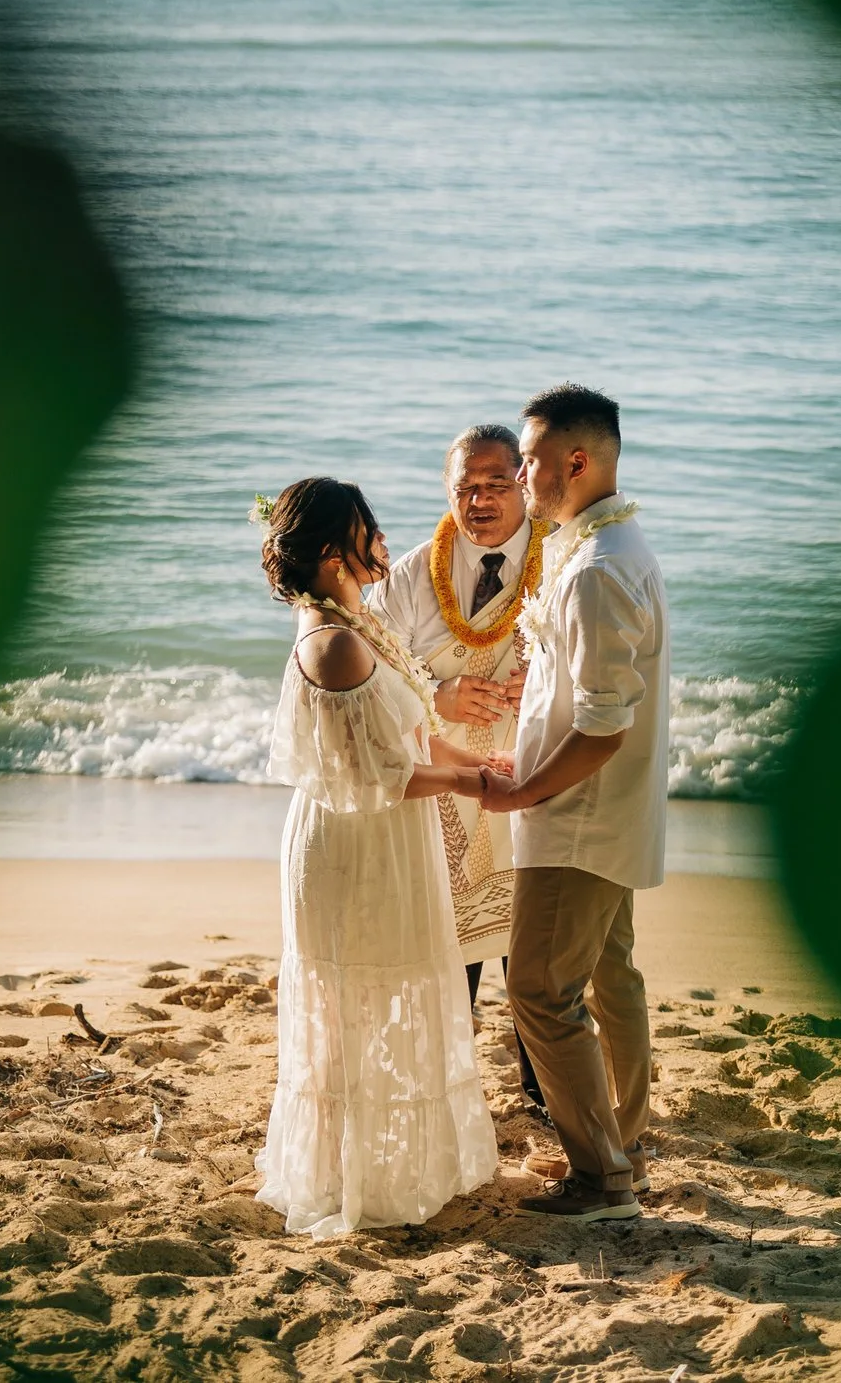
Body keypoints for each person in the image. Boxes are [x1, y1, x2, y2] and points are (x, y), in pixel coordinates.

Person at [250, 476, 501, 1236]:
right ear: (332, 553)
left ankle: (398, 1164)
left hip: (391, 835)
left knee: (398, 991)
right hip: (353, 842)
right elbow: (374, 777)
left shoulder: (357, 621)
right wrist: (472, 781)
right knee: (349, 1008)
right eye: (368, 529)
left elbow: (411, 731)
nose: (384, 542)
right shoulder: (331, 643)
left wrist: (481, 761)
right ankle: (349, 1179)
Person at [481, 385, 669, 1223]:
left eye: (529, 459)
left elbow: (603, 727)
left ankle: (603, 1177)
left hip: (578, 818)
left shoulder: (599, 568)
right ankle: (621, 1135)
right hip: (598, 811)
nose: (519, 474)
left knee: (537, 988)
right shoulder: (600, 544)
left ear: (578, 462)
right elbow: (577, 692)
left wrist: (524, 786)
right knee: (608, 972)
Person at [369, 424, 549, 1111]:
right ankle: (443, 1093)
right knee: (453, 950)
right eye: (464, 486)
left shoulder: (557, 563)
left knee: (533, 953)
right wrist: (436, 693)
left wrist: (547, 682)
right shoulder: (416, 572)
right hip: (446, 780)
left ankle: (543, 1093)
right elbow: (371, 665)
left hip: (532, 773)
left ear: (524, 485)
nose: (479, 499)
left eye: (495, 483)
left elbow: (596, 662)